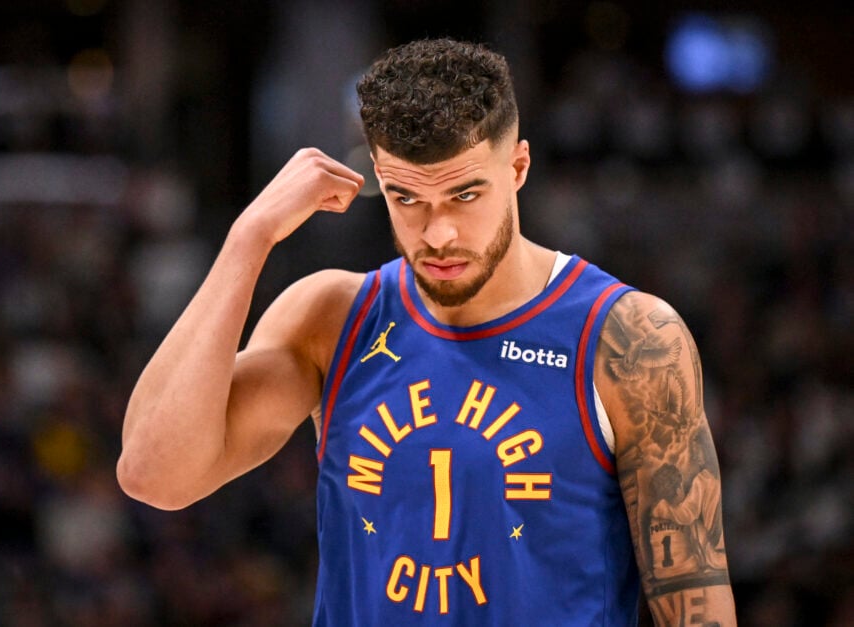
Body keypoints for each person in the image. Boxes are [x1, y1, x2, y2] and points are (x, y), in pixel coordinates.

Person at [118, 38, 737, 625]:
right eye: (406, 198)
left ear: (518, 166)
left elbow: (695, 601)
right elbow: (155, 475)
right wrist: (247, 239)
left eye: (465, 194)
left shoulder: (627, 337)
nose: (437, 234)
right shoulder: (332, 318)